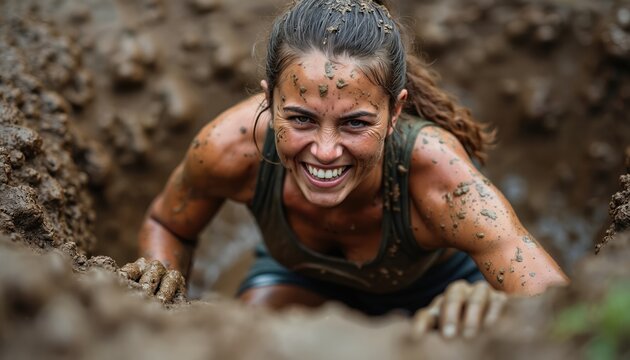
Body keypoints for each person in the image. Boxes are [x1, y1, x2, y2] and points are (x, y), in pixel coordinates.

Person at [121, 0, 569, 339]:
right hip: (298, 285)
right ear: (269, 101)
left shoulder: (438, 174)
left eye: (355, 123)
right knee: (247, 335)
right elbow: (169, 223)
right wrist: (163, 273)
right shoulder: (230, 147)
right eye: (300, 119)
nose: (326, 151)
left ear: (395, 113)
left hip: (439, 296)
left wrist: (496, 308)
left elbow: (564, 308)